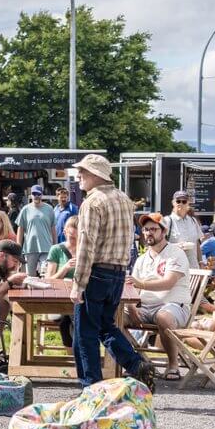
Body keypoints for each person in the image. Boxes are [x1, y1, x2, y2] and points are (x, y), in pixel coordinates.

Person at [68, 154, 159, 390]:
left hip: (97, 271)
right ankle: (136, 363)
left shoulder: (93, 202)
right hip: (118, 272)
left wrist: (78, 285)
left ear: (96, 175)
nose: (79, 176)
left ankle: (91, 388)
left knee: (84, 333)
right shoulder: (124, 199)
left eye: (83, 172)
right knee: (106, 326)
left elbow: (87, 245)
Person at [127, 213, 193, 381]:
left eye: (154, 229)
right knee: (112, 317)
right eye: (146, 229)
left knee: (163, 317)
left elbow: (168, 283)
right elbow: (131, 287)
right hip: (145, 307)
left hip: (173, 305)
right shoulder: (142, 259)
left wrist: (140, 284)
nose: (149, 233)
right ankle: (139, 362)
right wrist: (131, 306)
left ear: (163, 232)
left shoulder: (175, 253)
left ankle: (173, 366)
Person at [44, 216, 80, 346]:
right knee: (70, 317)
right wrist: (65, 268)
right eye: (71, 237)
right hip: (58, 299)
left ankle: (77, 356)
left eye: (76, 238)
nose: (74, 241)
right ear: (64, 232)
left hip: (78, 297)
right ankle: (75, 355)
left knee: (77, 316)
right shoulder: (57, 250)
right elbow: (48, 279)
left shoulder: (85, 252)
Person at [16, 186, 56, 277]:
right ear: (31, 195)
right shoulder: (25, 209)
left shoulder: (49, 209)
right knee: (30, 277)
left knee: (46, 275)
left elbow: (53, 229)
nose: (36, 196)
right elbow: (20, 229)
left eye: (38, 194)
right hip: (30, 248)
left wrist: (55, 246)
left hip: (47, 248)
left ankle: (45, 292)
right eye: (34, 194)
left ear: (42, 195)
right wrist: (18, 247)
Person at [163, 190, 202, 269]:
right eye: (178, 201)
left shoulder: (193, 221)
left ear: (188, 203)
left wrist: (200, 262)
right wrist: (177, 246)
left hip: (193, 268)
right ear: (173, 203)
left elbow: (197, 244)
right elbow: (159, 244)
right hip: (174, 269)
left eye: (184, 201)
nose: (180, 203)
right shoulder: (167, 221)